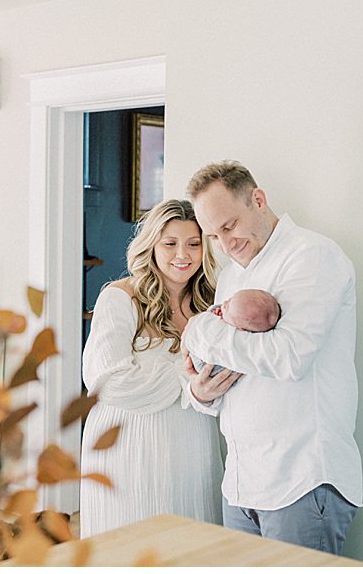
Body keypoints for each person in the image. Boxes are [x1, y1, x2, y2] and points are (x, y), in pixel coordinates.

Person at [182, 160, 362, 555]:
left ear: (258, 200)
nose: (225, 244)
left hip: (301, 479)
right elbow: (224, 370)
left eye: (229, 227)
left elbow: (289, 358)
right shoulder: (231, 275)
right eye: (213, 235)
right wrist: (200, 393)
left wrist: (199, 330)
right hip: (242, 483)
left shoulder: (313, 256)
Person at [79, 199, 237, 538]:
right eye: (170, 243)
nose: (183, 254)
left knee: (194, 542)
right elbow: (107, 382)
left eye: (194, 244)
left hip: (193, 444)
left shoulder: (212, 304)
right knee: (133, 542)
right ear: (151, 245)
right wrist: (187, 383)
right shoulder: (120, 298)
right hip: (128, 447)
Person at [188, 288, 281, 376]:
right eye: (229, 299)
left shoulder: (236, 339)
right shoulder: (235, 313)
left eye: (227, 307)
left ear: (239, 329)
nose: (224, 303)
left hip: (210, 366)